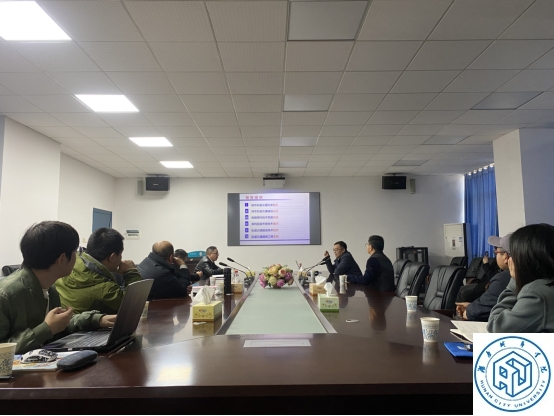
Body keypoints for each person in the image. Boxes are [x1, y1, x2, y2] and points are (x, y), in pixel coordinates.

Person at [0, 221, 116, 354]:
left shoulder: (50, 289)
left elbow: (58, 326)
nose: (77, 257)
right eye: (75, 252)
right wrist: (47, 329)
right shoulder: (5, 294)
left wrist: (96, 319)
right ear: (62, 258)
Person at [55, 227, 142, 315]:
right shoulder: (105, 290)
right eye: (120, 254)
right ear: (112, 257)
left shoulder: (71, 262)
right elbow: (135, 304)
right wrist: (131, 272)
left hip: (64, 319)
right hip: (84, 323)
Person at [488, 223, 554, 333]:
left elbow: (497, 327)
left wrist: (514, 280)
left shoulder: (537, 293)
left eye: (513, 254)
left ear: (525, 257)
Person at [455, 233, 512, 321]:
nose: (495, 255)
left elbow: (484, 308)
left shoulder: (503, 278)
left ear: (506, 257)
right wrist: (471, 307)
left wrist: (468, 311)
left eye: (496, 252)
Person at [137, 241, 203, 300]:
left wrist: (180, 287)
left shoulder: (145, 262)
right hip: (155, 306)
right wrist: (182, 265)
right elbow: (183, 289)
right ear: (171, 257)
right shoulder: (162, 272)